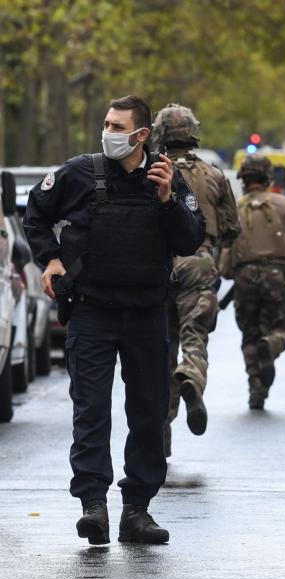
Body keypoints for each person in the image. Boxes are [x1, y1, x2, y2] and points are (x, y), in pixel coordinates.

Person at [23, 95, 205, 545]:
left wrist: (168, 200)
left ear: (142, 135)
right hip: (91, 312)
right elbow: (36, 214)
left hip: (146, 314)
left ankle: (137, 510)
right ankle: (93, 505)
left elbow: (190, 238)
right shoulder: (79, 173)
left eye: (117, 125)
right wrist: (50, 261)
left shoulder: (167, 177)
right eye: (106, 122)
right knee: (91, 411)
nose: (108, 132)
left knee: (147, 413)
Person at [152, 103, 240, 457]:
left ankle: (160, 437)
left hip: (157, 268)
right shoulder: (215, 175)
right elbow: (232, 228)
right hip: (199, 264)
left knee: (160, 351)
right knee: (194, 338)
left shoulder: (152, 171)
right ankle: (191, 376)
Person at [219, 154, 285, 410]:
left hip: (243, 280)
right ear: (268, 178)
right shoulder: (284, 204)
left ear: (243, 180)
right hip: (277, 276)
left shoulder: (235, 208)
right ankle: (271, 344)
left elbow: (225, 251)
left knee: (249, 334)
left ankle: (256, 389)